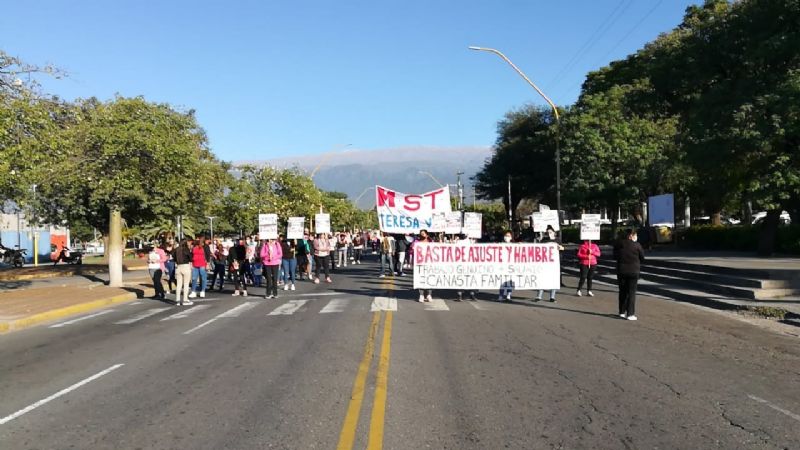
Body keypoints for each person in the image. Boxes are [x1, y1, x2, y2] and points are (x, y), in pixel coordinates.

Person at [614, 228, 645, 320]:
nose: (636, 237)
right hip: (633, 271)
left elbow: (614, 256)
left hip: (621, 270)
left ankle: (622, 312)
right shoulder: (637, 245)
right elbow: (642, 257)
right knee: (631, 293)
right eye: (635, 235)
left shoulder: (618, 245)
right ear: (631, 236)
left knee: (622, 291)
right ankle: (630, 314)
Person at [534, 226, 564, 302]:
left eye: (550, 232)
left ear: (554, 232)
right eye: (548, 232)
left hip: (555, 263)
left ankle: (552, 297)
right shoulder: (544, 240)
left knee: (553, 279)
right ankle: (539, 296)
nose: (549, 233)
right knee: (542, 279)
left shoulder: (558, 240)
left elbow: (562, 248)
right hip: (545, 263)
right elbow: (538, 249)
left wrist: (560, 247)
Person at [174, 238, 194, 306]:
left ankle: (177, 300)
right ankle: (185, 300)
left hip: (178, 267)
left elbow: (173, 257)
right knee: (186, 284)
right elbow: (191, 258)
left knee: (179, 284)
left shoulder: (176, 249)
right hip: (185, 267)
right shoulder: (186, 249)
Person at [416, 230, 433, 302]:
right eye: (421, 234)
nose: (422, 235)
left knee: (430, 279)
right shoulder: (417, 242)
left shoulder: (431, 242)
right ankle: (421, 295)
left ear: (427, 235)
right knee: (421, 279)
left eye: (423, 234)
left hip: (429, 263)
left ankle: (429, 294)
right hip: (420, 263)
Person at [499, 231, 516, 301]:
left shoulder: (514, 245)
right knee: (502, 281)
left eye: (508, 236)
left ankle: (508, 295)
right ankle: (501, 295)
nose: (507, 237)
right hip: (502, 265)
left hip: (511, 265)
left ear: (511, 237)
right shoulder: (500, 244)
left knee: (510, 281)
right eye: (506, 235)